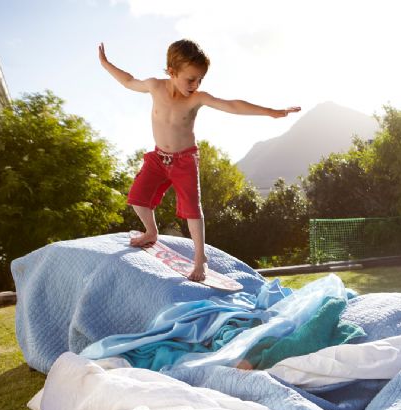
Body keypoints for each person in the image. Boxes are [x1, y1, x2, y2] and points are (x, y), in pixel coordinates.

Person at [98, 39, 300, 282]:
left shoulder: (196, 98)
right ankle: (151, 231)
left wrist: (269, 111)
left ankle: (199, 258)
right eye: (191, 79)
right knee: (138, 198)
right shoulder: (154, 86)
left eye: (200, 80)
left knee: (193, 209)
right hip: (158, 158)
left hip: (184, 160)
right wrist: (106, 64)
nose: (196, 85)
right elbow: (128, 80)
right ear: (172, 72)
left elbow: (232, 105)